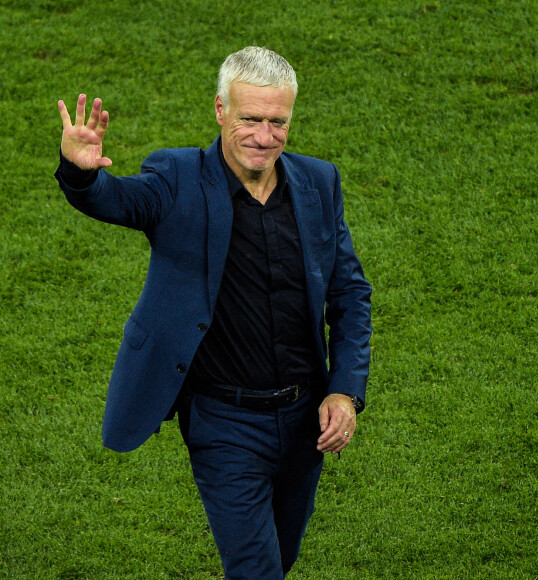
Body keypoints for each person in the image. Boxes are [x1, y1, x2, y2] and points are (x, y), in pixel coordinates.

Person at [55, 46, 372, 579]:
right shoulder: (177, 176)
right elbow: (121, 201)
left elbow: (349, 293)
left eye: (278, 122)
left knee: (280, 556)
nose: (264, 136)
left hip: (302, 420)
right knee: (256, 570)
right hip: (223, 422)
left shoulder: (319, 182)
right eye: (250, 119)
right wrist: (82, 174)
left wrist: (344, 390)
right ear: (221, 111)